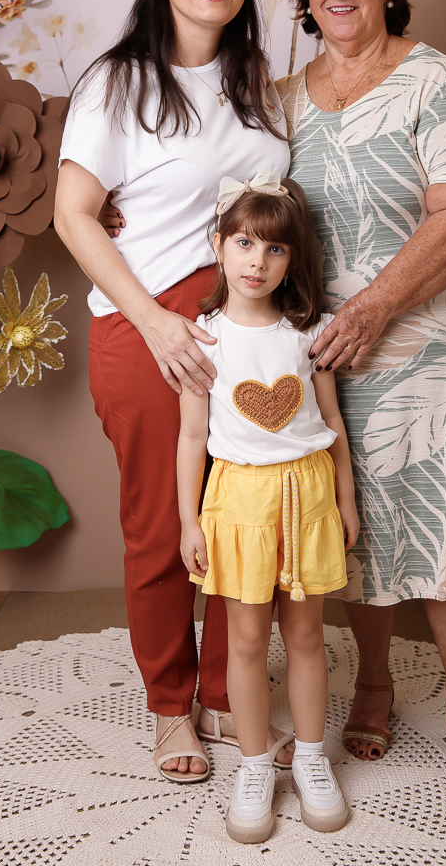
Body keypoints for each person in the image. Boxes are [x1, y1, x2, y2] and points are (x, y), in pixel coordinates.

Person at [276, 0, 446, 799]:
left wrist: (375, 306)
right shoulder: (281, 98)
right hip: (331, 349)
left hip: (437, 341)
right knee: (357, 523)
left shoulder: (435, 79)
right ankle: (373, 685)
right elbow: (234, 200)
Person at [54, 0, 292, 782]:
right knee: (163, 529)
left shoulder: (255, 79)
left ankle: (226, 694)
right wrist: (155, 322)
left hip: (244, 331)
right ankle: (169, 709)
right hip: (149, 327)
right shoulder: (116, 83)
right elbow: (74, 214)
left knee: (241, 519)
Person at [177, 170, 359, 843]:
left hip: (306, 494)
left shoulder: (310, 333)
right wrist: (188, 520)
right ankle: (255, 766)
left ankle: (310, 758)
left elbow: (332, 422)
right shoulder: (202, 339)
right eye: (245, 243)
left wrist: (344, 499)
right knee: (247, 641)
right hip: (238, 501)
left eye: (275, 248)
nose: (258, 261)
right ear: (219, 246)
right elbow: (191, 437)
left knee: (307, 637)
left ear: (292, 259)